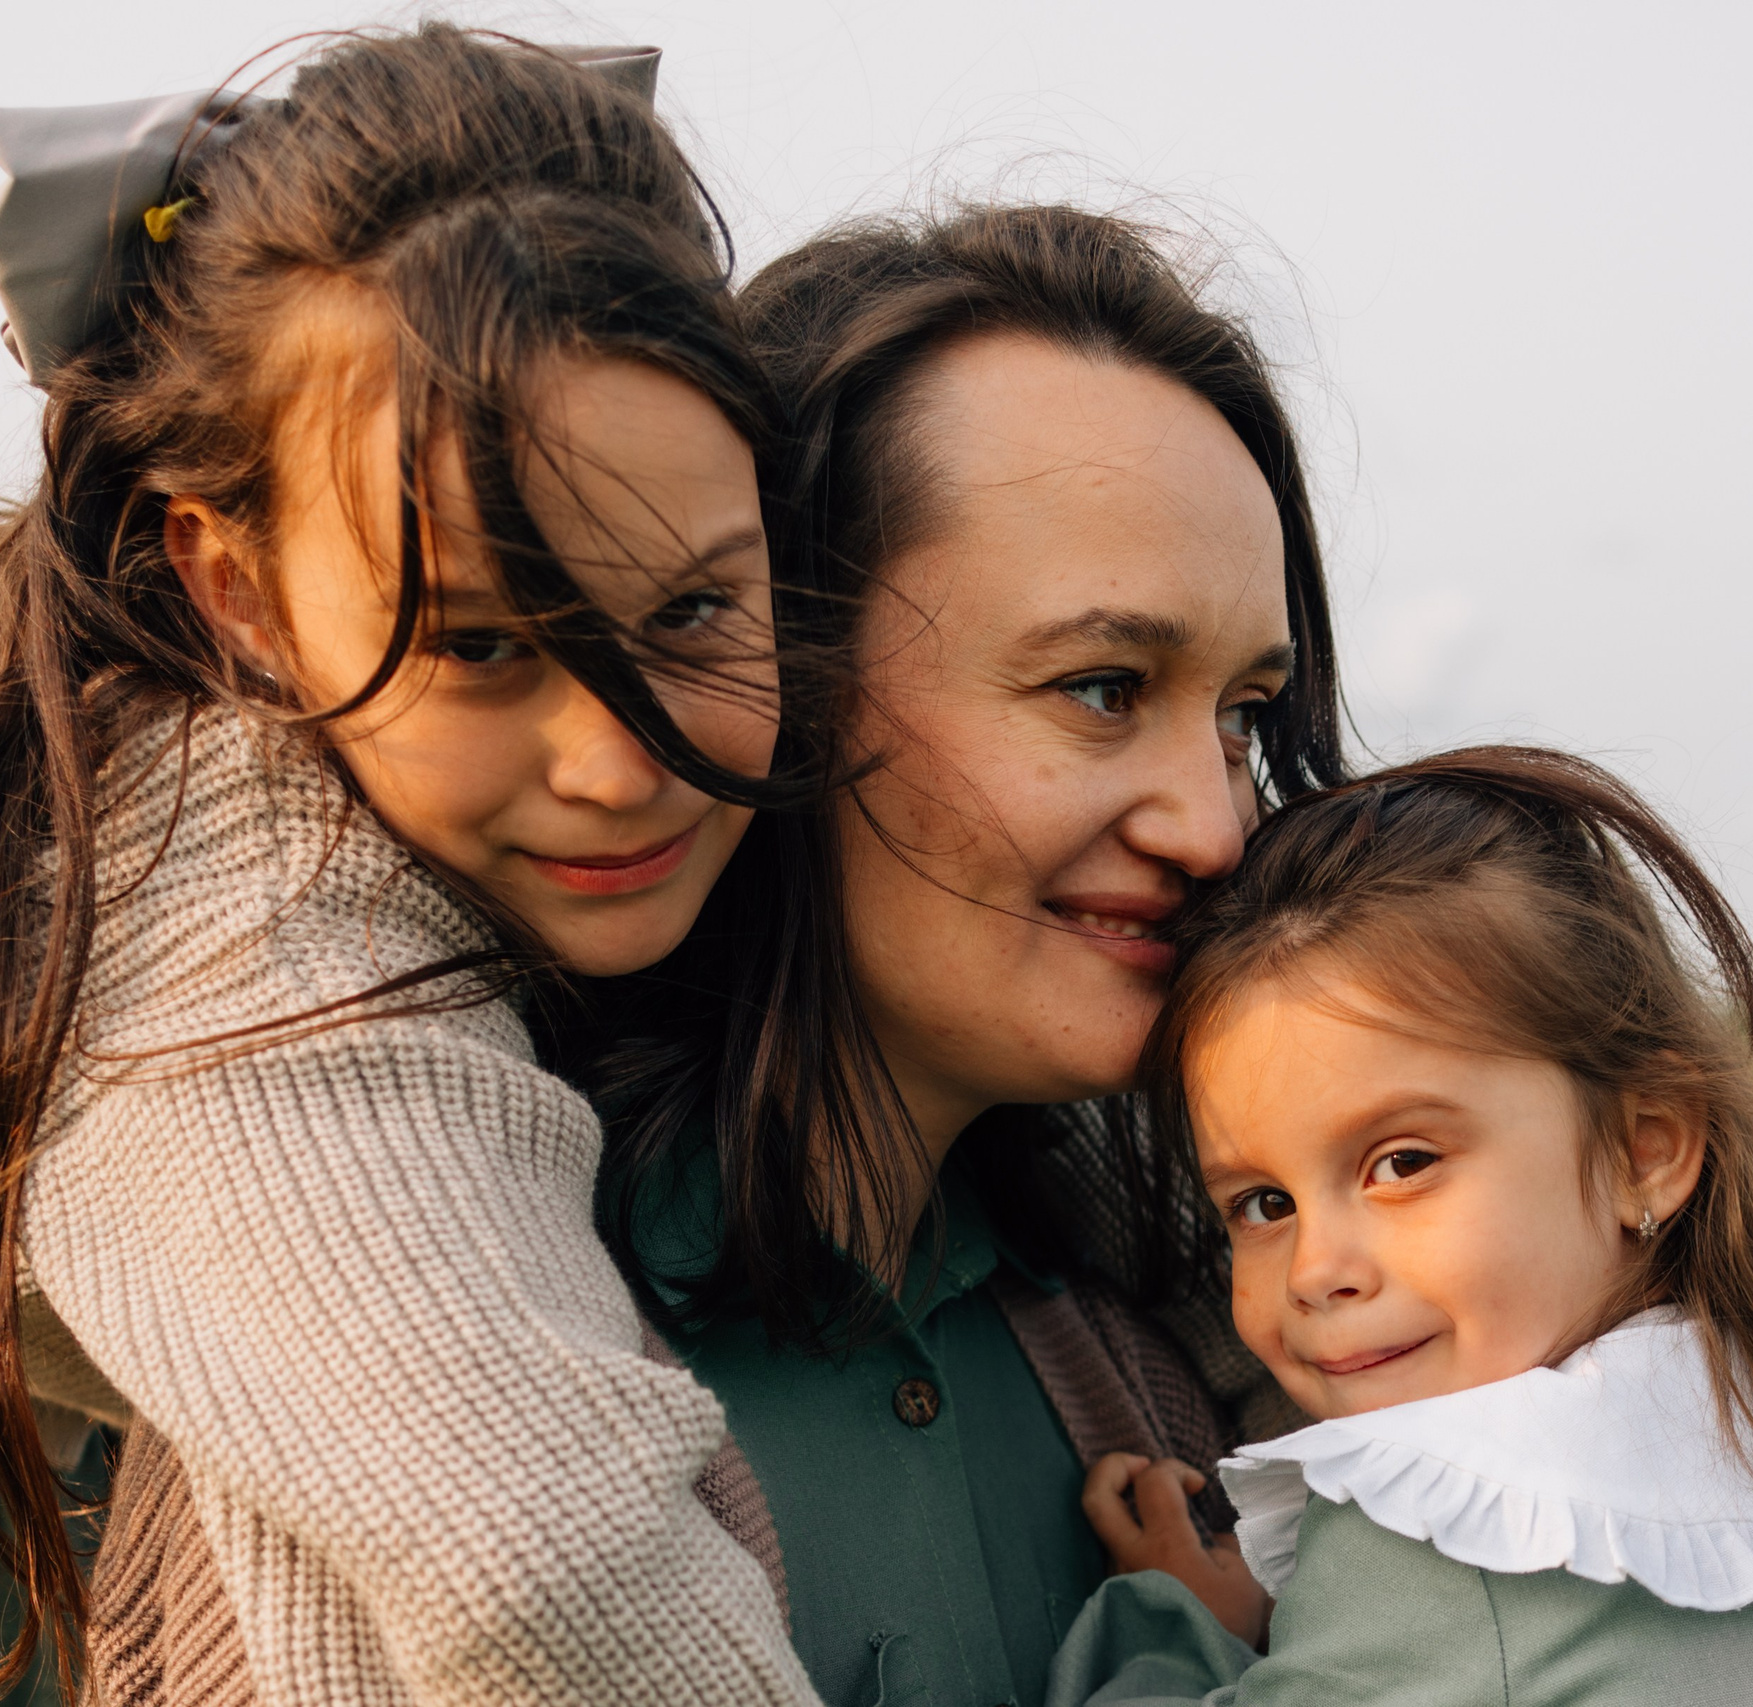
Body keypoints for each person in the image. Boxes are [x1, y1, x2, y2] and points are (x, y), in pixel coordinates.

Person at [0, 28, 825, 1707]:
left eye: (696, 606)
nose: (619, 762)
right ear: (235, 592)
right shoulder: (256, 948)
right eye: (477, 645)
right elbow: (544, 1570)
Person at [592, 205, 1347, 1707]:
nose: (1217, 828)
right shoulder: (454, 1359)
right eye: (1101, 687)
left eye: (1243, 718)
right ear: (778, 674)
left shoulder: (1178, 1367)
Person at [1049, 747, 1753, 1706]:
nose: (1315, 1270)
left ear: (1644, 1150)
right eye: (1264, 1204)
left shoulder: (1437, 1535)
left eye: (1403, 1162)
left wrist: (1170, 1632)